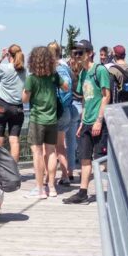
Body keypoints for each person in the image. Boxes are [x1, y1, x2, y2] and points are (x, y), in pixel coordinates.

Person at [65, 40, 111, 205]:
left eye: (80, 52)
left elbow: (106, 96)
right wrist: (83, 122)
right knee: (84, 158)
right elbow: (85, 99)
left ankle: (111, 190)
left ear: (90, 53)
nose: (77, 56)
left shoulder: (100, 71)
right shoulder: (83, 73)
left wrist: (99, 121)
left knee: (101, 160)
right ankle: (83, 192)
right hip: (87, 122)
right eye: (75, 53)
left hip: (99, 121)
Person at [22, 46, 69, 199]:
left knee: (37, 153)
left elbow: (25, 99)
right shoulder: (54, 76)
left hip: (37, 119)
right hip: (52, 118)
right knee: (51, 152)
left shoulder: (32, 78)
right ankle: (52, 188)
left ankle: (40, 189)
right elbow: (66, 87)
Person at [0, 44, 27, 162]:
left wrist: (0, 59)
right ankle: (13, 169)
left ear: (9, 55)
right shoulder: (24, 70)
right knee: (14, 139)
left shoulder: (4, 67)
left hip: (1, 105)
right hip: (17, 108)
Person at [49, 41, 76, 187]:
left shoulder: (56, 69)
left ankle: (49, 179)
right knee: (61, 145)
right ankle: (65, 175)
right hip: (67, 109)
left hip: (55, 111)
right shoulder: (66, 66)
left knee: (50, 147)